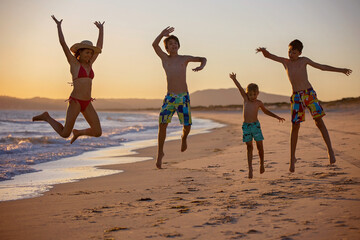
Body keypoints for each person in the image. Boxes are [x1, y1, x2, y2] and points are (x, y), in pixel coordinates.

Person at [256, 39, 352, 172]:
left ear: (300, 53)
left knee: (319, 121)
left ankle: (330, 151)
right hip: (296, 97)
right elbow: (270, 56)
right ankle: (292, 158)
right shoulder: (286, 62)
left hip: (309, 94)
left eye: (294, 52)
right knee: (295, 126)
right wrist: (263, 51)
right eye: (289, 51)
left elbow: (322, 67)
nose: (291, 54)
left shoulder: (304, 60)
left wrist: (341, 70)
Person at [32, 15, 104, 144]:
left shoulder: (90, 64)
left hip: (87, 102)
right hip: (76, 102)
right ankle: (47, 117)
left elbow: (99, 48)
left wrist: (101, 29)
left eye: (90, 53)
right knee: (65, 133)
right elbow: (63, 44)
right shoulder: (74, 64)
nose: (90, 55)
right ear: (79, 53)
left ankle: (78, 132)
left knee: (97, 132)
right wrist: (59, 26)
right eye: (87, 52)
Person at [152, 26, 207, 169]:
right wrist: (161, 34)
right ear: (167, 48)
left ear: (178, 45)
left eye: (175, 43)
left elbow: (203, 58)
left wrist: (202, 66)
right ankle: (160, 154)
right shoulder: (164, 59)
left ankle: (184, 137)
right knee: (162, 124)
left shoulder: (185, 59)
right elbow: (154, 45)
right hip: (170, 98)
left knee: (187, 125)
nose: (173, 45)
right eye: (170, 44)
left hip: (183, 98)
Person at [229, 73, 285, 178]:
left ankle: (261, 164)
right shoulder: (245, 99)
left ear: (258, 93)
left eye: (254, 94)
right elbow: (239, 88)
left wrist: (277, 117)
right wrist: (234, 79)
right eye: (250, 95)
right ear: (247, 94)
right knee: (249, 147)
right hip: (246, 127)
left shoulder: (259, 103)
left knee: (260, 146)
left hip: (256, 126)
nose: (252, 97)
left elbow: (266, 111)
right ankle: (250, 169)